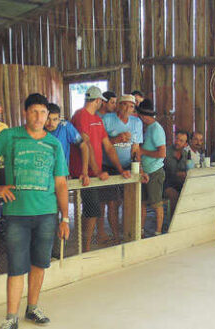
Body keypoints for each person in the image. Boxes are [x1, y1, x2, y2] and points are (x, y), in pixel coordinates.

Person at [0, 93, 70, 329]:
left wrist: (65, 217)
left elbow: (60, 183)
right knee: (17, 267)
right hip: (16, 214)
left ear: (48, 116)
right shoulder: (9, 136)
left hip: (47, 214)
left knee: (39, 263)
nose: (39, 117)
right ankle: (10, 318)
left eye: (43, 113)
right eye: (34, 112)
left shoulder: (54, 144)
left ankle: (33, 308)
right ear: (25, 113)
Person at [69, 86, 130, 252]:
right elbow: (85, 144)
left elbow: (108, 147)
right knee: (92, 209)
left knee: (94, 209)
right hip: (83, 172)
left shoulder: (97, 119)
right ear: (97, 100)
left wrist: (120, 169)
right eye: (101, 101)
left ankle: (86, 245)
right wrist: (96, 172)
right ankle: (85, 248)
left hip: (94, 172)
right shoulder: (80, 115)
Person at [101, 94, 143, 243]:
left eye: (131, 106)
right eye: (124, 105)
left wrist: (138, 168)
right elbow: (100, 144)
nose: (127, 108)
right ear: (118, 105)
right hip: (109, 166)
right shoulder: (107, 119)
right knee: (112, 203)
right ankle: (116, 236)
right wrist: (116, 139)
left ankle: (128, 232)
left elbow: (136, 148)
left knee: (129, 200)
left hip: (127, 166)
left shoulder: (136, 122)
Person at [136, 98, 167, 236]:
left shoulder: (156, 129)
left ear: (143, 116)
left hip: (155, 171)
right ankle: (141, 231)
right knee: (142, 202)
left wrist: (143, 152)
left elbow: (162, 153)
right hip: (146, 171)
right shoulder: (148, 128)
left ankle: (158, 231)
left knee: (156, 203)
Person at [164, 130, 192, 217]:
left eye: (181, 141)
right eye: (176, 139)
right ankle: (173, 223)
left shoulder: (186, 154)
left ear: (186, 144)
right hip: (165, 184)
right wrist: (176, 174)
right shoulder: (165, 152)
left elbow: (189, 170)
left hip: (180, 184)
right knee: (174, 195)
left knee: (191, 192)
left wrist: (184, 174)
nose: (177, 142)